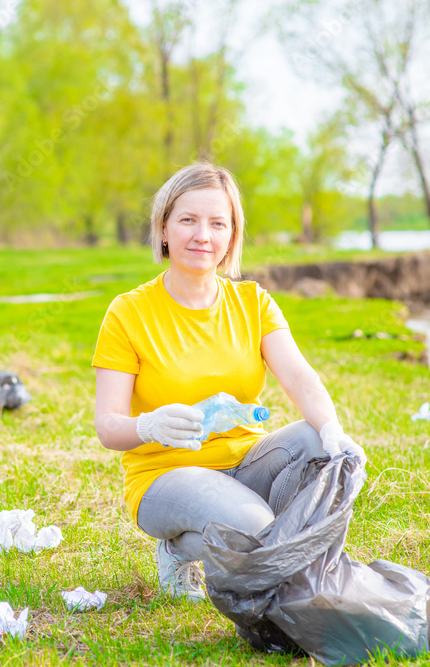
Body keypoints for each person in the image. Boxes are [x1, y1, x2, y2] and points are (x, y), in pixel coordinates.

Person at [92, 162, 367, 601]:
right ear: (164, 228)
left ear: (231, 236)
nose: (203, 235)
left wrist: (333, 429)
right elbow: (107, 426)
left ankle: (257, 542)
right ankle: (180, 548)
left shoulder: (253, 302)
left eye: (217, 223)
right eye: (188, 220)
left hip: (246, 464)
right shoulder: (129, 312)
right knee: (255, 530)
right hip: (166, 474)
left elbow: (298, 375)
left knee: (318, 450)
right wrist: (149, 426)